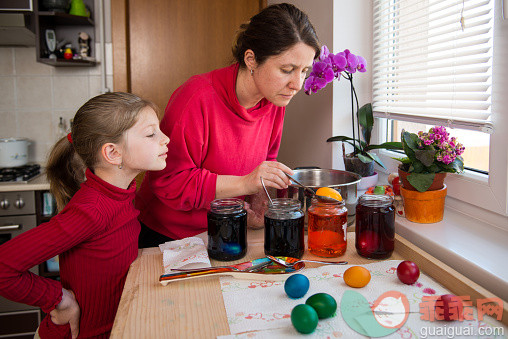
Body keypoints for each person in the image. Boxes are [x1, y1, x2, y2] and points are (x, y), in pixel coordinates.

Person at [136, 3, 320, 247]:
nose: (297, 84)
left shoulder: (274, 101)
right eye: (287, 70)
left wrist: (256, 198)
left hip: (227, 227)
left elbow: (265, 163)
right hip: (168, 236)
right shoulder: (196, 98)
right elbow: (170, 182)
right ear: (251, 59)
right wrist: (245, 182)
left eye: (305, 71)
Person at [0, 92, 169, 339]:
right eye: (151, 133)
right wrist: (59, 299)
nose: (166, 138)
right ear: (112, 153)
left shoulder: (121, 194)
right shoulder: (92, 210)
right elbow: (3, 265)